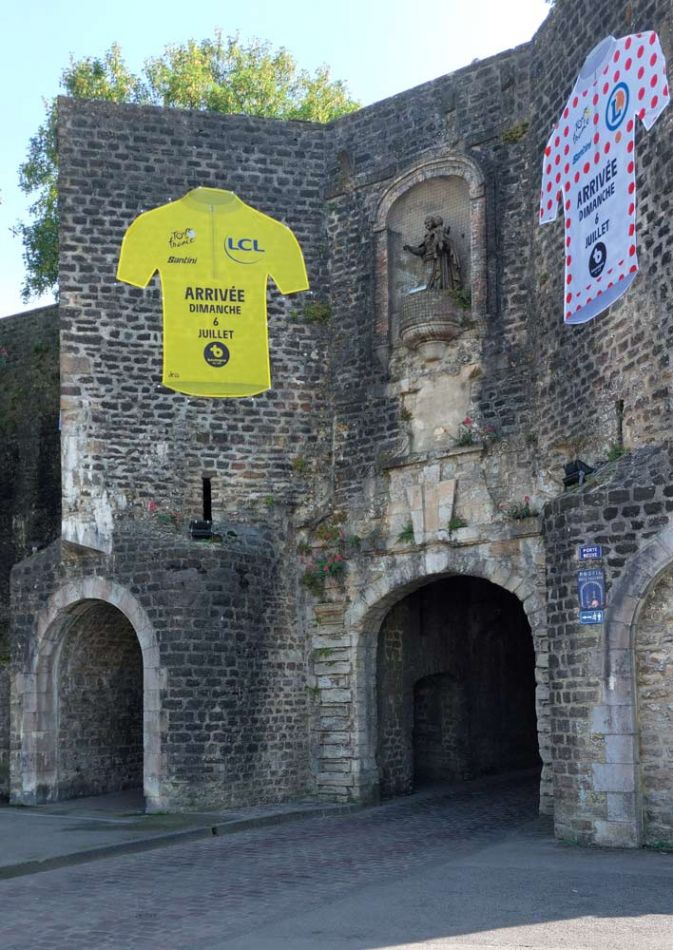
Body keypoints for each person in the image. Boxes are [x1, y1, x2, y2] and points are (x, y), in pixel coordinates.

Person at [403, 215, 462, 291]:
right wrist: (410, 248)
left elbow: (444, 245)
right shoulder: (427, 237)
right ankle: (430, 290)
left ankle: (438, 289)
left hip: (437, 259)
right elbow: (422, 250)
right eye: (425, 223)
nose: (426, 225)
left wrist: (440, 242)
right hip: (427, 260)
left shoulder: (439, 232)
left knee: (436, 278)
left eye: (428, 222)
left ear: (433, 222)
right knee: (427, 280)